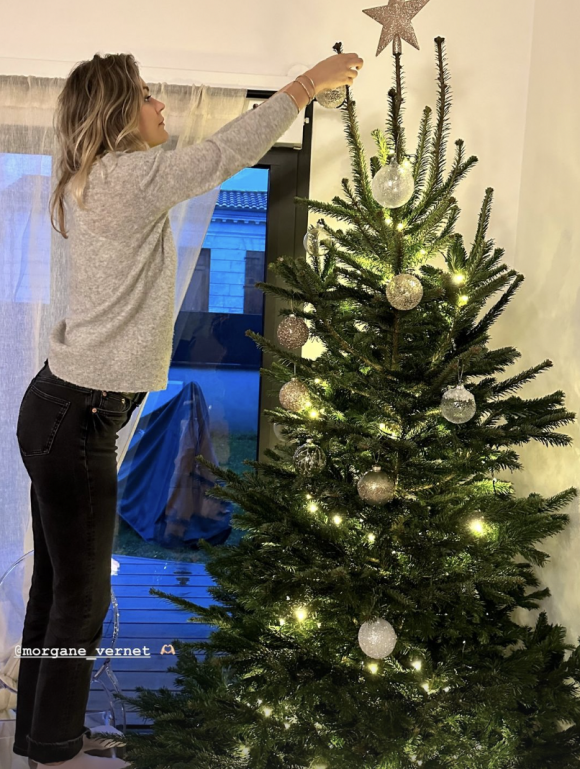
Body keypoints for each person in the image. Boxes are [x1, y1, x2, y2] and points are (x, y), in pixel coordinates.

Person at [13, 49, 363, 768]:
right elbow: (224, 152)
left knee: (59, 587)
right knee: (79, 598)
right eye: (146, 97)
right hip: (74, 416)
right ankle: (53, 751)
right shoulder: (128, 176)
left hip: (60, 410)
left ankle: (41, 736)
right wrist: (305, 84)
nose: (161, 108)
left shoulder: (90, 179)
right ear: (115, 113)